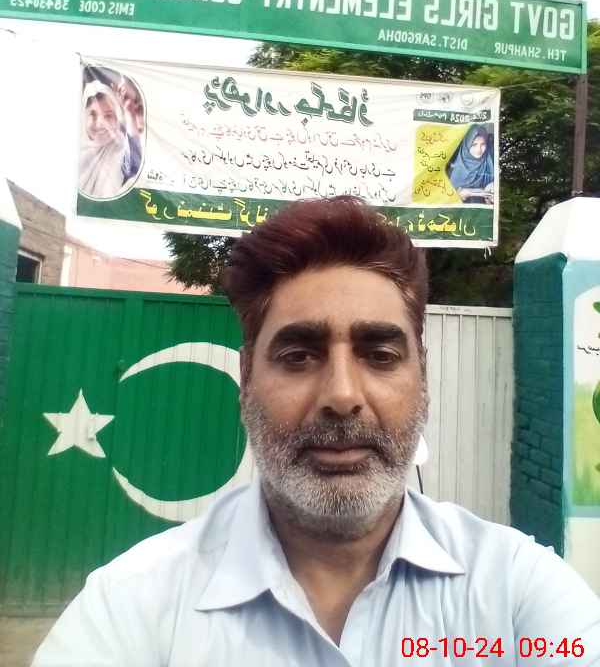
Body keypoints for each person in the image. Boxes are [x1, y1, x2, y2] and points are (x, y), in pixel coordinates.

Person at [33, 197, 600, 666]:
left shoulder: (515, 593)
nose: (342, 396)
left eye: (380, 355)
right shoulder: (133, 606)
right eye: (299, 356)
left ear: (422, 379)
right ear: (246, 380)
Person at [447, 124, 494, 203]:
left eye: (483, 144)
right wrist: (458, 195)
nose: (479, 150)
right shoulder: (452, 168)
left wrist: (494, 185)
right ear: (467, 144)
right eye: (474, 145)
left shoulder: (489, 163)